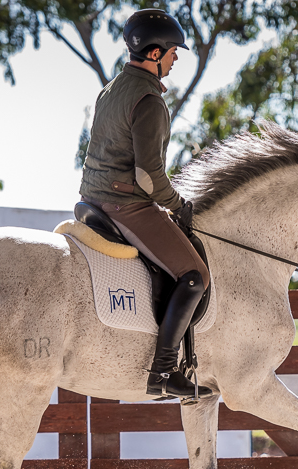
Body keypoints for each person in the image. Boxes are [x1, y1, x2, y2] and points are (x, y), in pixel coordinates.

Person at [79, 8, 212, 400]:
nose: (176, 58)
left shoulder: (112, 87)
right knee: (194, 275)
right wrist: (178, 204)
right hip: (126, 204)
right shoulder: (149, 100)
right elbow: (148, 178)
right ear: (154, 54)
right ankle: (163, 372)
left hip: (93, 197)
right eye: (173, 51)